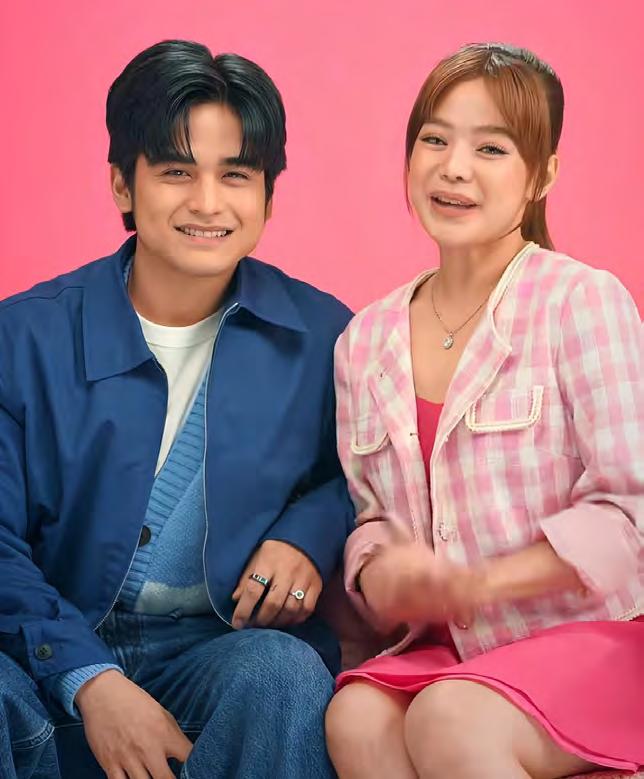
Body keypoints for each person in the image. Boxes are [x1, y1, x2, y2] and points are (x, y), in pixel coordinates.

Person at [0, 39, 353, 779]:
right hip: (40, 654)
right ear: (122, 185)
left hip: (210, 651)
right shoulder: (21, 337)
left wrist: (308, 532)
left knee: (283, 676)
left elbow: (366, 478)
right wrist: (91, 679)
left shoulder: (326, 336)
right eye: (176, 172)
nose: (208, 203)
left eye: (236, 175)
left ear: (269, 195)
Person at [326, 43, 644, 779]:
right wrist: (380, 573)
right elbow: (371, 516)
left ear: (542, 175)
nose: (454, 168)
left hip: (597, 640)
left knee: (451, 716)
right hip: (450, 651)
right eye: (434, 140)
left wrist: (481, 582)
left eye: (491, 148)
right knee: (356, 715)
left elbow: (631, 512)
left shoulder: (581, 302)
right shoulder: (363, 340)